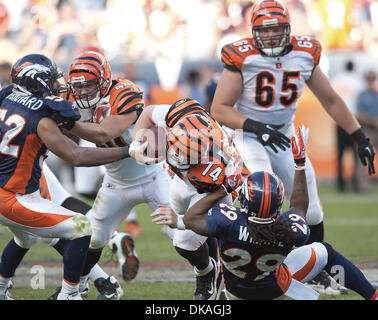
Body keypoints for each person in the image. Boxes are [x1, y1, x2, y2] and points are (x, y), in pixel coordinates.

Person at [210, 0, 375, 294]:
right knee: (261, 196)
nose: (272, 36)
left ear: (288, 29)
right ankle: (238, 273)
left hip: (284, 135)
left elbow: (331, 99)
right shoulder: (241, 55)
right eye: (265, 30)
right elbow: (220, 109)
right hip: (248, 134)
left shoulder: (304, 51)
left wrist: (359, 136)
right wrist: (257, 127)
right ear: (254, 32)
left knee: (311, 209)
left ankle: (314, 270)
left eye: (277, 30)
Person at [153, 125, 378, 300]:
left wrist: (222, 189)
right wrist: (299, 163)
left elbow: (191, 219)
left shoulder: (228, 220)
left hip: (235, 290)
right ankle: (373, 295)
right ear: (278, 205)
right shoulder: (288, 228)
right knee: (324, 251)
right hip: (273, 289)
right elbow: (299, 206)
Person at [0, 53, 130, 300]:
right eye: (50, 80)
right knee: (81, 227)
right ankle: (70, 294)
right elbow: (76, 156)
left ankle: (1, 289)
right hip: (12, 199)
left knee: (24, 237)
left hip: (9, 190)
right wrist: (127, 151)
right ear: (36, 82)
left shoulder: (6, 97)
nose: (56, 85)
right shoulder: (41, 116)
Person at [60, 50, 172, 292]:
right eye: (78, 86)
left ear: (104, 80)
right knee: (92, 238)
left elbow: (104, 133)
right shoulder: (69, 96)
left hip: (154, 175)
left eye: (89, 85)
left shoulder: (123, 92)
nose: (82, 92)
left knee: (184, 238)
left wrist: (66, 122)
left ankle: (208, 275)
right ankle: (74, 290)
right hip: (116, 181)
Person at [129, 98, 244, 300]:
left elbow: (196, 216)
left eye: (186, 156)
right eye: (177, 151)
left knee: (185, 242)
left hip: (214, 190)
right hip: (182, 181)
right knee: (183, 236)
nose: (177, 158)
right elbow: (147, 113)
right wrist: (135, 146)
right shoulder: (179, 113)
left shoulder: (220, 164)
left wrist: (181, 221)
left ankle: (207, 274)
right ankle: (212, 274)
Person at [332, 60, 363, 192]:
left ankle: (341, 184)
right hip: (352, 120)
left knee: (340, 155)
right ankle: (356, 183)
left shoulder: (336, 80)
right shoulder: (357, 81)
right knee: (356, 154)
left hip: (339, 121)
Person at [356, 70, 378, 189]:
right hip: (368, 129)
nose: (370, 82)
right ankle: (363, 186)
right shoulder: (363, 95)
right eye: (369, 79)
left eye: (372, 79)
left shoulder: (376, 94)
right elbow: (359, 114)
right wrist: (373, 121)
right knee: (364, 155)